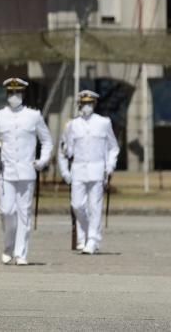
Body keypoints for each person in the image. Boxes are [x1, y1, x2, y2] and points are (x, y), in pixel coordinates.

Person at [0, 78, 53, 267]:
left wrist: (42, 161)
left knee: (24, 212)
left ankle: (21, 252)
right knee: (7, 211)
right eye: (11, 93)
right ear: (7, 95)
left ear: (22, 94)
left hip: (27, 170)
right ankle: (8, 246)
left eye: (18, 93)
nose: (15, 97)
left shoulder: (34, 116)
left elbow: (47, 140)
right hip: (5, 171)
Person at [58, 89, 119, 255]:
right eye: (84, 103)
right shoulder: (72, 125)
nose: (87, 106)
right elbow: (64, 150)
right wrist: (64, 171)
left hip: (97, 169)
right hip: (78, 170)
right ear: (79, 105)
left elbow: (113, 147)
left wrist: (110, 166)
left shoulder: (103, 122)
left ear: (95, 104)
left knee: (94, 206)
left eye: (90, 103)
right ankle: (85, 234)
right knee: (77, 205)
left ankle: (92, 239)